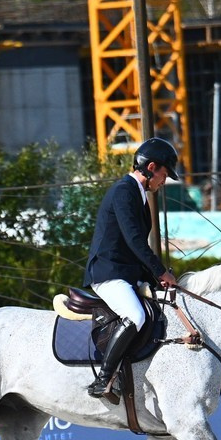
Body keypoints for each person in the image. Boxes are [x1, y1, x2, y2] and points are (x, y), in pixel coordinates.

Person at [82, 136, 181, 398]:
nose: (164, 180)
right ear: (151, 168)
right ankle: (103, 379)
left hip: (126, 273)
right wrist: (160, 272)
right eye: (164, 173)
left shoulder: (138, 195)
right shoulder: (124, 191)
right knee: (136, 316)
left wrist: (157, 279)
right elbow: (135, 240)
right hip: (108, 272)